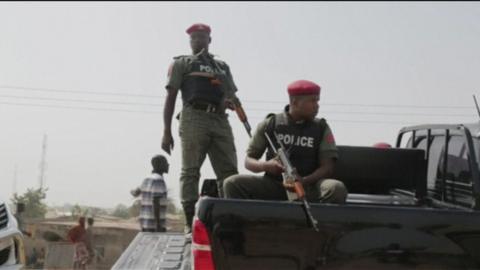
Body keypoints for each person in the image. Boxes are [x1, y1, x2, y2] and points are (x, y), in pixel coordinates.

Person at [161, 23, 240, 233]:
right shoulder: (182, 63)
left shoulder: (221, 66)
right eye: (194, 37)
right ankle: (189, 221)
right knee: (190, 171)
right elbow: (171, 97)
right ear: (189, 41)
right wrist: (166, 131)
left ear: (209, 40)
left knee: (230, 172)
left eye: (202, 37)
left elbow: (230, 92)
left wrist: (226, 99)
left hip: (220, 119)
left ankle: (228, 222)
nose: (198, 40)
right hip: (193, 116)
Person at [224, 80, 348, 203]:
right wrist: (266, 166)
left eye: (317, 101)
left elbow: (328, 167)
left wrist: (303, 180)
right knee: (232, 183)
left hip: (309, 186)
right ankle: (249, 222)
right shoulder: (271, 124)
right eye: (312, 101)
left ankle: (322, 222)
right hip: (275, 185)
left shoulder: (321, 127)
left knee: (336, 189)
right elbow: (248, 161)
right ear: (295, 102)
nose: (317, 105)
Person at [131, 154, 168, 232]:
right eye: (165, 162)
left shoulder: (147, 178)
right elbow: (155, 202)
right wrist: (158, 224)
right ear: (159, 165)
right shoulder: (158, 180)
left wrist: (131, 191)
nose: (168, 165)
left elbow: (135, 193)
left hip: (145, 223)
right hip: (154, 226)